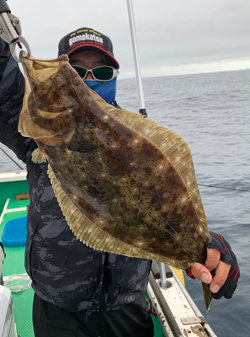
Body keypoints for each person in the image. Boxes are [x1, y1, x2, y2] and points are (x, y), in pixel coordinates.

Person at [0, 27, 239, 337]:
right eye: (74, 71)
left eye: (101, 71)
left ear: (114, 76)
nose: (89, 79)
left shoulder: (137, 144)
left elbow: (163, 208)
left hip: (125, 310)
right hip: (55, 310)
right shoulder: (37, 137)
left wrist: (208, 246)